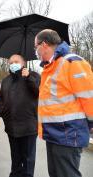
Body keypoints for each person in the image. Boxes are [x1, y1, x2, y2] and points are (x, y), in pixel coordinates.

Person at [35, 29, 93, 177]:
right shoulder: (49, 67)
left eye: (36, 47)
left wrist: (91, 124)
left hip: (68, 134)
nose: (36, 51)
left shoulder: (72, 62)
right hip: (53, 133)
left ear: (44, 44)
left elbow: (89, 97)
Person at [0, 54, 40, 177]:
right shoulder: (6, 80)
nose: (13, 64)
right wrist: (3, 113)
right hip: (12, 127)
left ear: (24, 63)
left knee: (28, 160)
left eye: (16, 61)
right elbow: (1, 99)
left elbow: (38, 92)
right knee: (15, 158)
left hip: (28, 127)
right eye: (10, 62)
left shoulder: (34, 76)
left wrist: (28, 78)